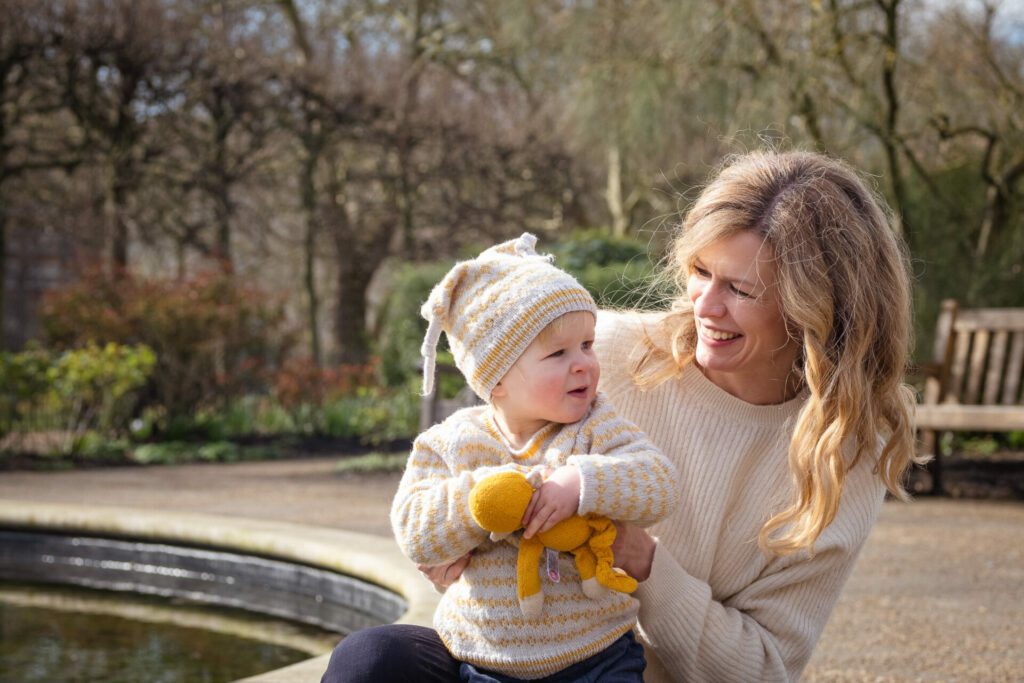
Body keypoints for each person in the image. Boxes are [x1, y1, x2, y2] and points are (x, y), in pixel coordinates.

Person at [321, 149, 922, 682]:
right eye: (700, 272)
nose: (704, 306)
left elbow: (763, 668)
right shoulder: (599, 352)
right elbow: (476, 452)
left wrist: (642, 561)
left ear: (815, 308)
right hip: (511, 658)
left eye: (741, 290)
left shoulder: (841, 453)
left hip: (622, 671)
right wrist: (460, 532)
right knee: (372, 661)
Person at [336, 233, 679, 682]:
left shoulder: (596, 425)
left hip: (597, 657)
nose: (583, 364)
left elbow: (659, 483)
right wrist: (480, 499)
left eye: (587, 345)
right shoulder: (454, 442)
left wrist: (581, 483)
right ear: (495, 380)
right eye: (558, 353)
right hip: (486, 662)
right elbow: (414, 529)